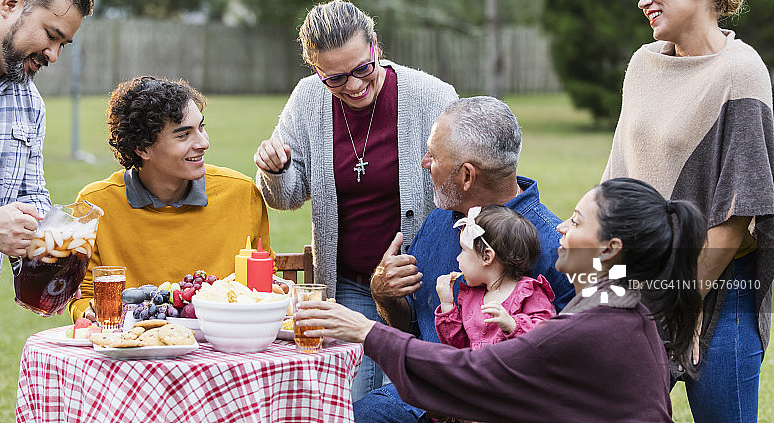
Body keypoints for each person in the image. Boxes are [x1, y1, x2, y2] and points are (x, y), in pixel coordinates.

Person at [295, 178, 705, 422]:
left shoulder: (596, 325)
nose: (561, 227)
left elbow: (475, 372)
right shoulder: (625, 309)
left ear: (610, 249)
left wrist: (366, 331)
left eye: (578, 222)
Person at [602, 0, 774, 421]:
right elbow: (616, 176)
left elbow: (739, 212)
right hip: (637, 284)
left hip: (719, 295)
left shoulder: (742, 71)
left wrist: (679, 300)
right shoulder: (643, 65)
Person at [254, 0, 458, 400]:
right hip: (350, 286)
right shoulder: (307, 100)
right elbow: (288, 197)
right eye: (335, 78)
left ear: (375, 45)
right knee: (352, 403)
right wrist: (276, 170)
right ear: (316, 70)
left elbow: (463, 187)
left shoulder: (432, 96)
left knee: (412, 401)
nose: (353, 85)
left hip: (424, 285)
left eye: (362, 69)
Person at [360, 96, 575, 422]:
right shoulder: (441, 219)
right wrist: (385, 293)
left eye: (433, 156)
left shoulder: (558, 248)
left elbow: (574, 368)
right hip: (424, 395)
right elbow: (411, 327)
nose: (424, 163)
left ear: (466, 176)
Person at [68, 76, 272, 321]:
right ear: (143, 148)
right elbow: (82, 296)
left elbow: (265, 285)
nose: (204, 143)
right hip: (134, 343)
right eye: (183, 135)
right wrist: (90, 311)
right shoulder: (95, 205)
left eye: (201, 127)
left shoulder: (242, 194)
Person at [0, 0, 93, 340]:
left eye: (63, 44)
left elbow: (30, 195)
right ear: (11, 4)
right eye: (51, 35)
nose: (54, 55)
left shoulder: (30, 103)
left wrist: (60, 243)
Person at [435, 205, 555, 349]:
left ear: (487, 256)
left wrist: (512, 325)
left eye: (464, 250)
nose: (458, 258)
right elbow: (459, 347)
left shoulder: (528, 292)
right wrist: (447, 305)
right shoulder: (471, 297)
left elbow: (546, 337)